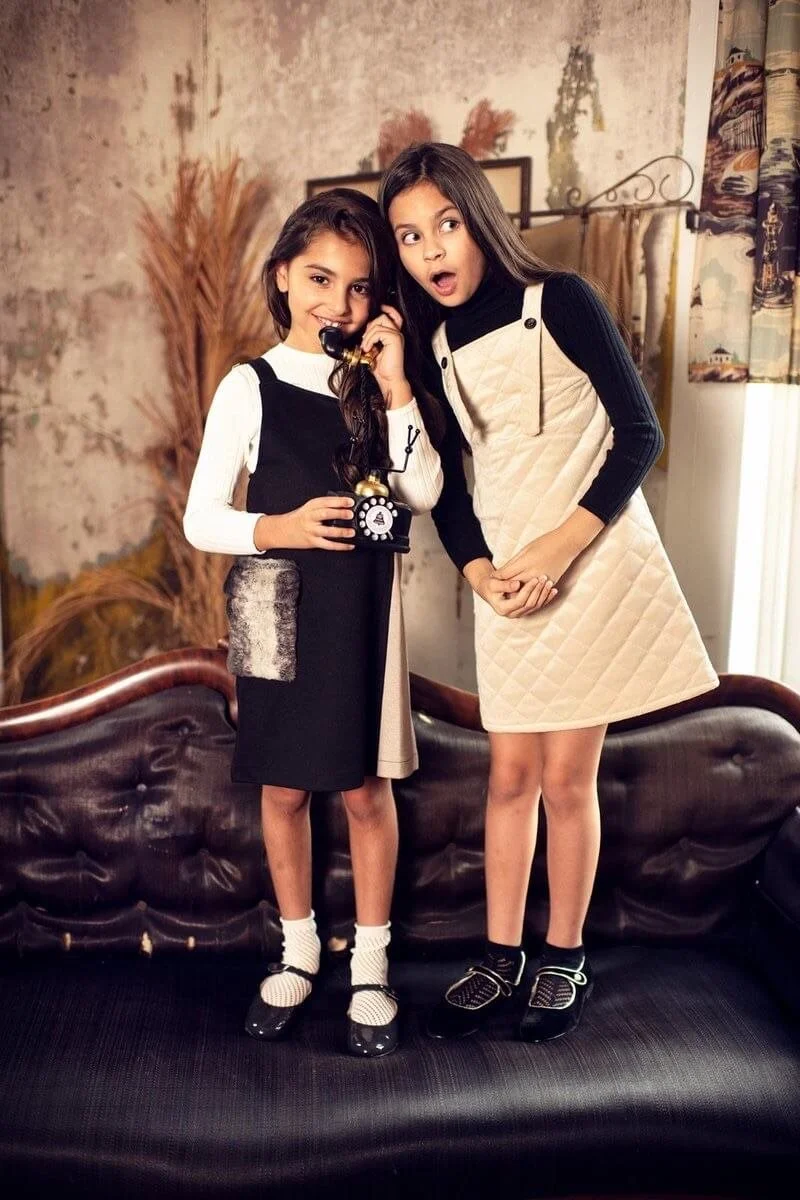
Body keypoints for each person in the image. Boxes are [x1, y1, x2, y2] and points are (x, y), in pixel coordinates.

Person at [379, 142, 719, 1043]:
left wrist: (560, 550)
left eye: (446, 225)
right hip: (508, 588)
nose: (432, 251)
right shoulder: (439, 344)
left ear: (478, 218)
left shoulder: (559, 300)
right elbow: (449, 481)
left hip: (589, 567)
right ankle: (500, 956)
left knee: (567, 780)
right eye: (409, 237)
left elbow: (637, 434)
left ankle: (562, 957)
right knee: (509, 778)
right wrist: (480, 570)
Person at [183, 188, 443, 1057]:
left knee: (366, 791)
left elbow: (426, 493)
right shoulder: (247, 386)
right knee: (285, 789)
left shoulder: (373, 382)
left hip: (362, 609)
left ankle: (370, 964)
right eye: (321, 278)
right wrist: (280, 529)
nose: (339, 302)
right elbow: (199, 518)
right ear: (285, 277)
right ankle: (298, 951)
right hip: (270, 607)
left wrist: (398, 382)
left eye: (361, 286)